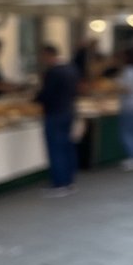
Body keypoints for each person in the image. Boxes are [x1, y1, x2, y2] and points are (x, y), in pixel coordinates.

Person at [35, 44, 80, 197]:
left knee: (56, 149)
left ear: (48, 55)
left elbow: (46, 94)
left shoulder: (53, 72)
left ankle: (60, 182)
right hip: (68, 111)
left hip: (55, 113)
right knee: (66, 146)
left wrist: (35, 99)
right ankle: (69, 179)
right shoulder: (70, 69)